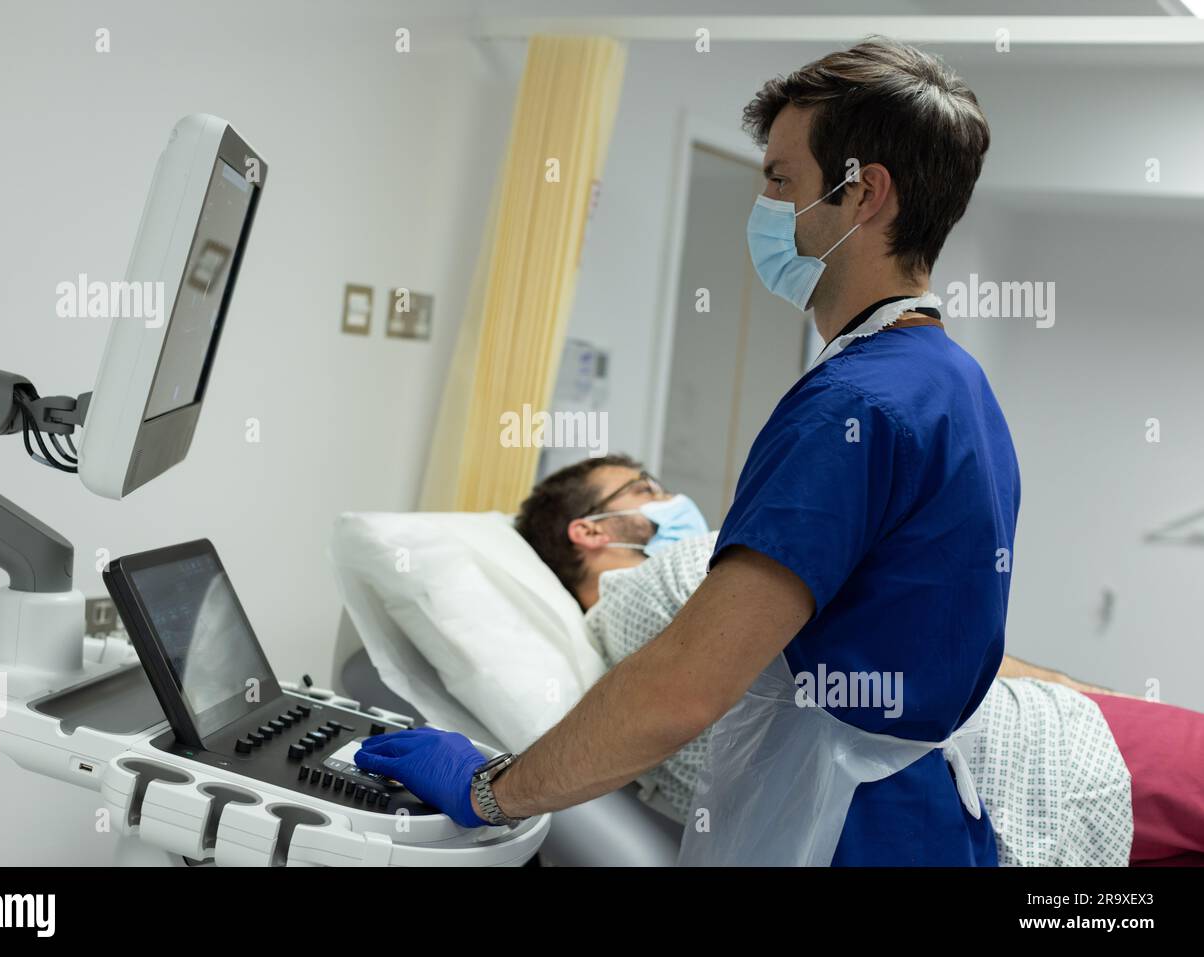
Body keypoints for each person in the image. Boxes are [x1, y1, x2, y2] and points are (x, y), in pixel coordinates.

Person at [358, 37, 1020, 865]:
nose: (765, 204)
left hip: (839, 832)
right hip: (927, 824)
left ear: (864, 194)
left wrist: (488, 787)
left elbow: (684, 688)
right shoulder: (958, 386)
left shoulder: (853, 405)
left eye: (781, 179)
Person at [514, 455, 1204, 866]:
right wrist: (1072, 687)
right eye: (642, 487)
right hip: (1052, 752)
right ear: (592, 530)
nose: (669, 499)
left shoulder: (622, 668)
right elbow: (911, 643)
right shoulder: (678, 576)